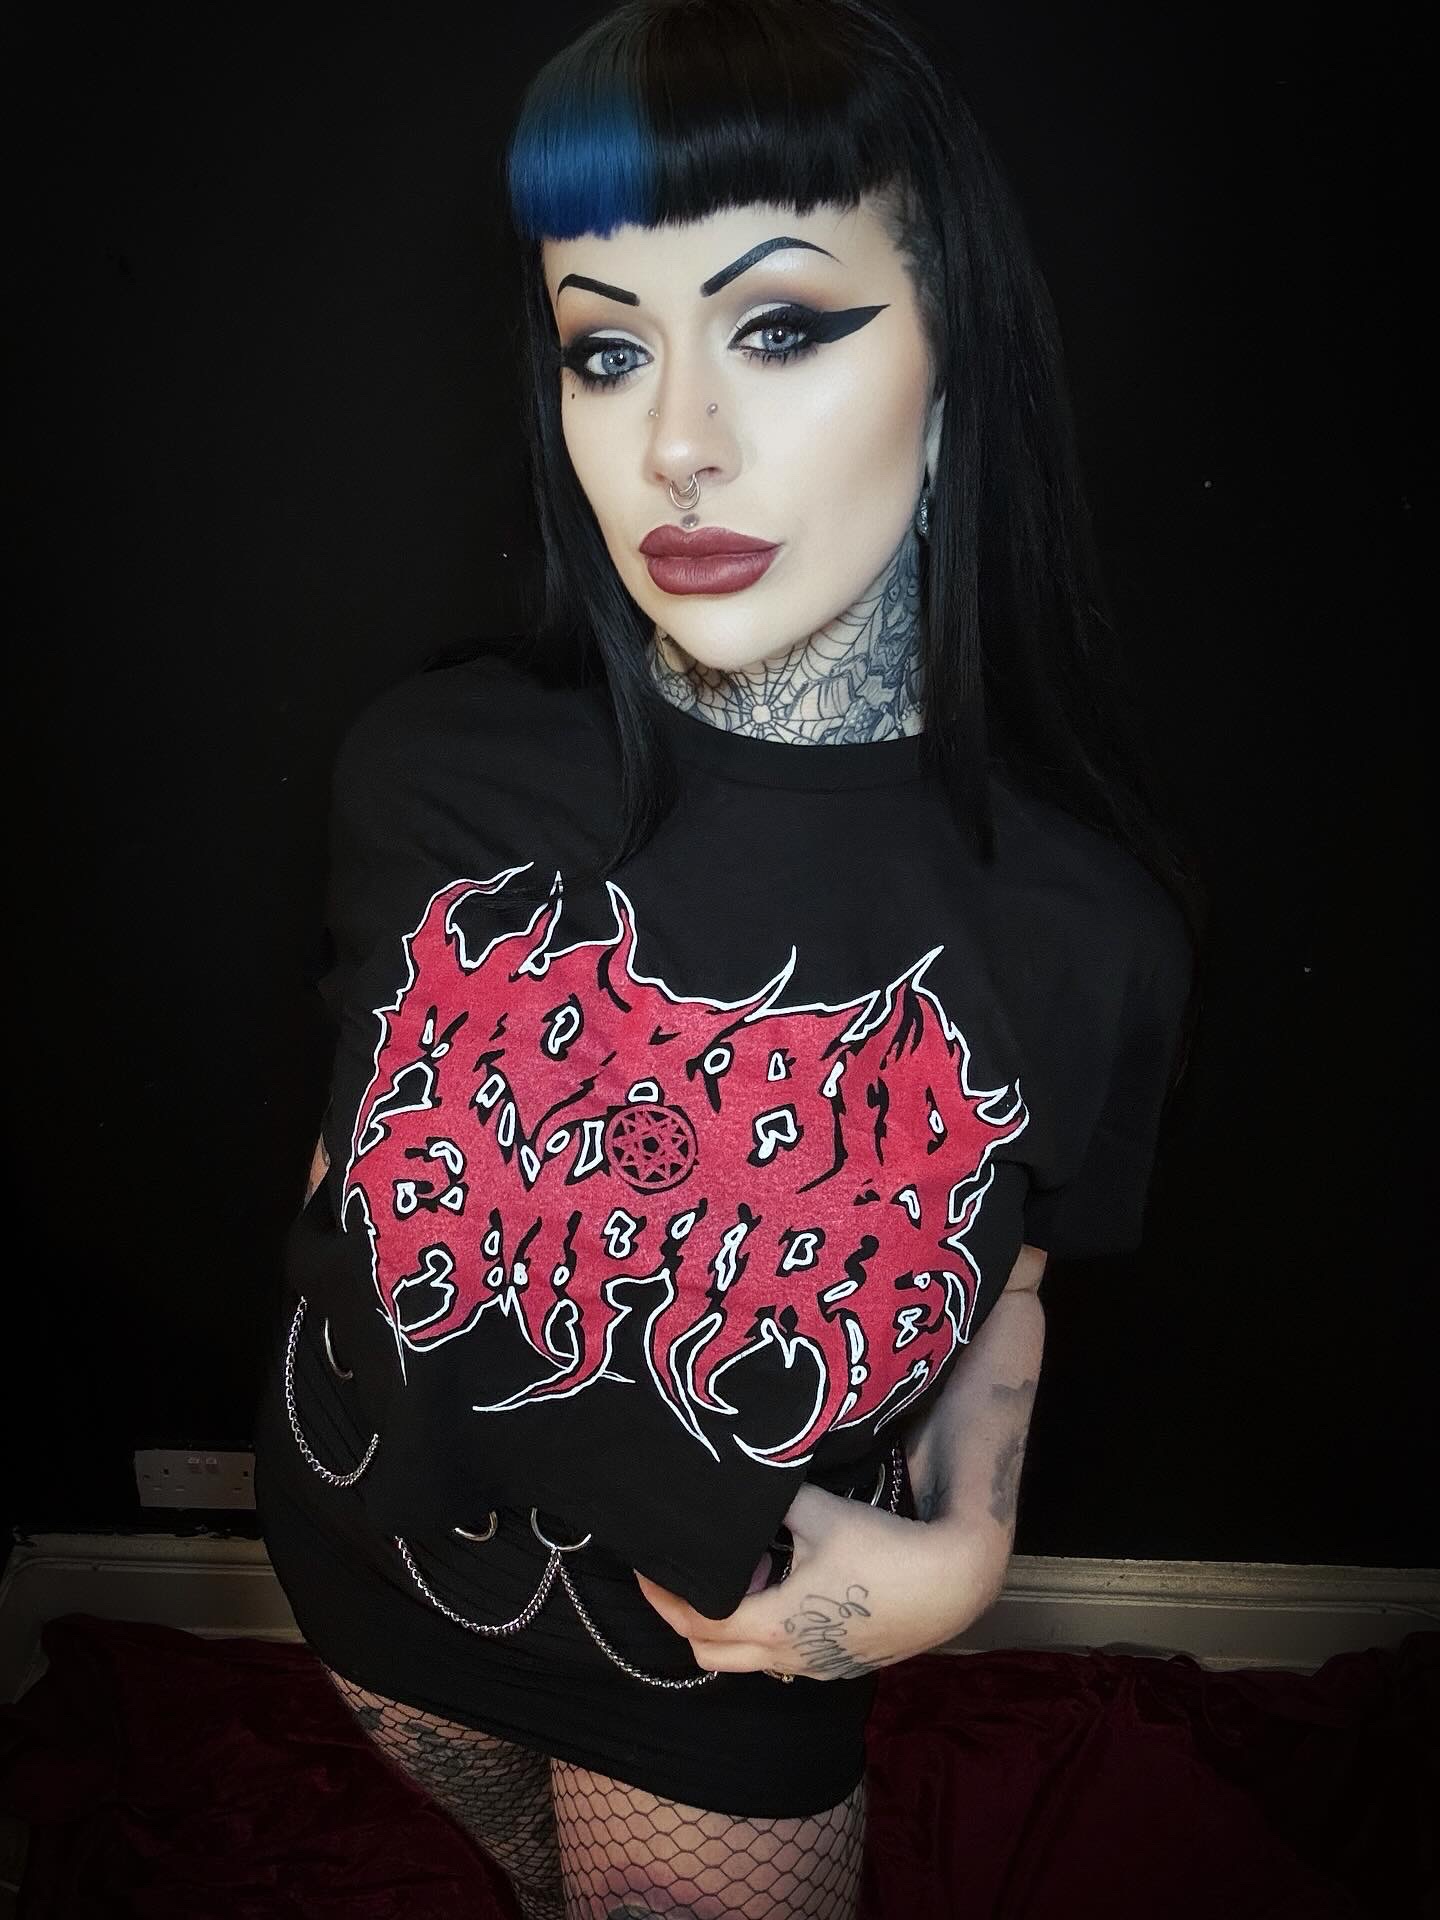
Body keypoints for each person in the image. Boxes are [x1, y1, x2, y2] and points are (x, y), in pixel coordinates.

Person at [250, 1, 1201, 1914]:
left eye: (777, 325)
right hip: (360, 1564)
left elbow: (1006, 1277)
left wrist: (973, 1544)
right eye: (608, 348)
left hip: (722, 1662)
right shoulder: (426, 768)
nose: (677, 443)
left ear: (953, 353)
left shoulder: (1078, 927)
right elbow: (350, 1161)